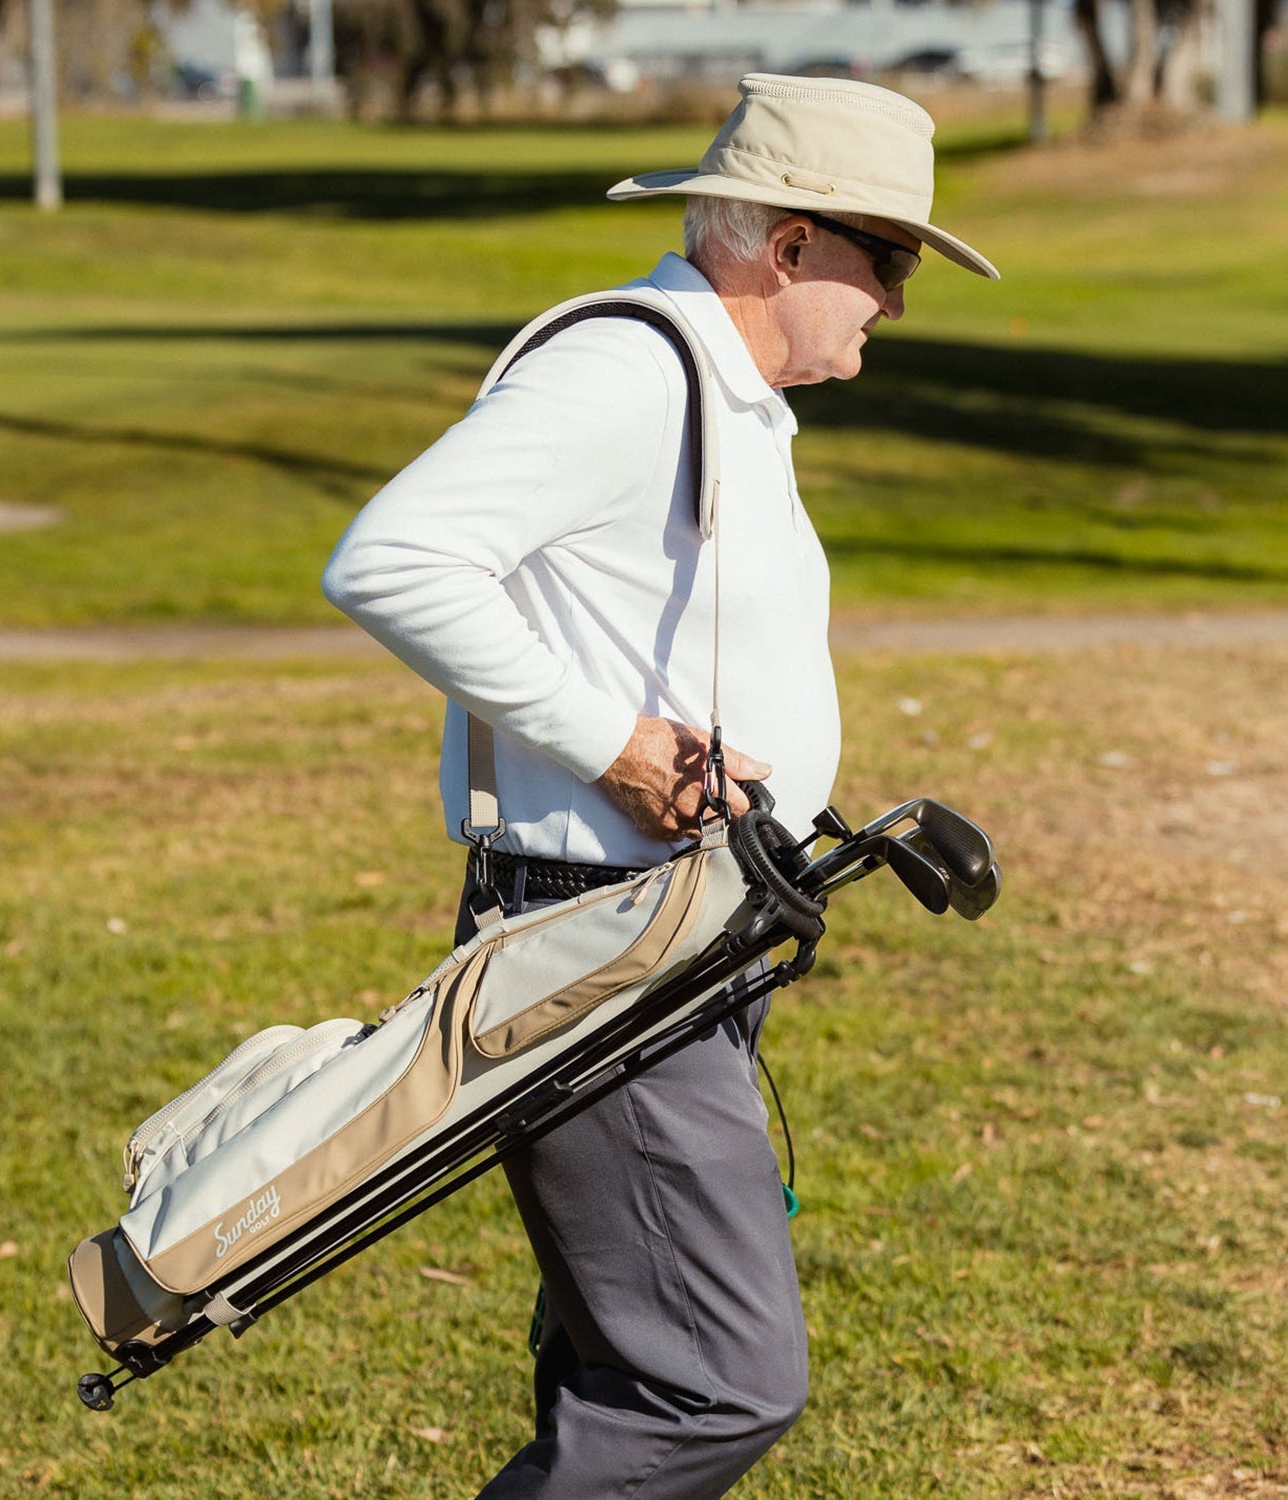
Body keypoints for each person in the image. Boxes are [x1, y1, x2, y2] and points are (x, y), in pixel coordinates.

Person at [323, 72, 998, 1500]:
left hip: (676, 935)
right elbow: (392, 558)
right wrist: (618, 744)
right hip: (600, 942)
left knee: (630, 1366)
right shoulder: (630, 371)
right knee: (715, 1382)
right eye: (888, 262)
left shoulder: (724, 389)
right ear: (792, 248)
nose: (899, 300)